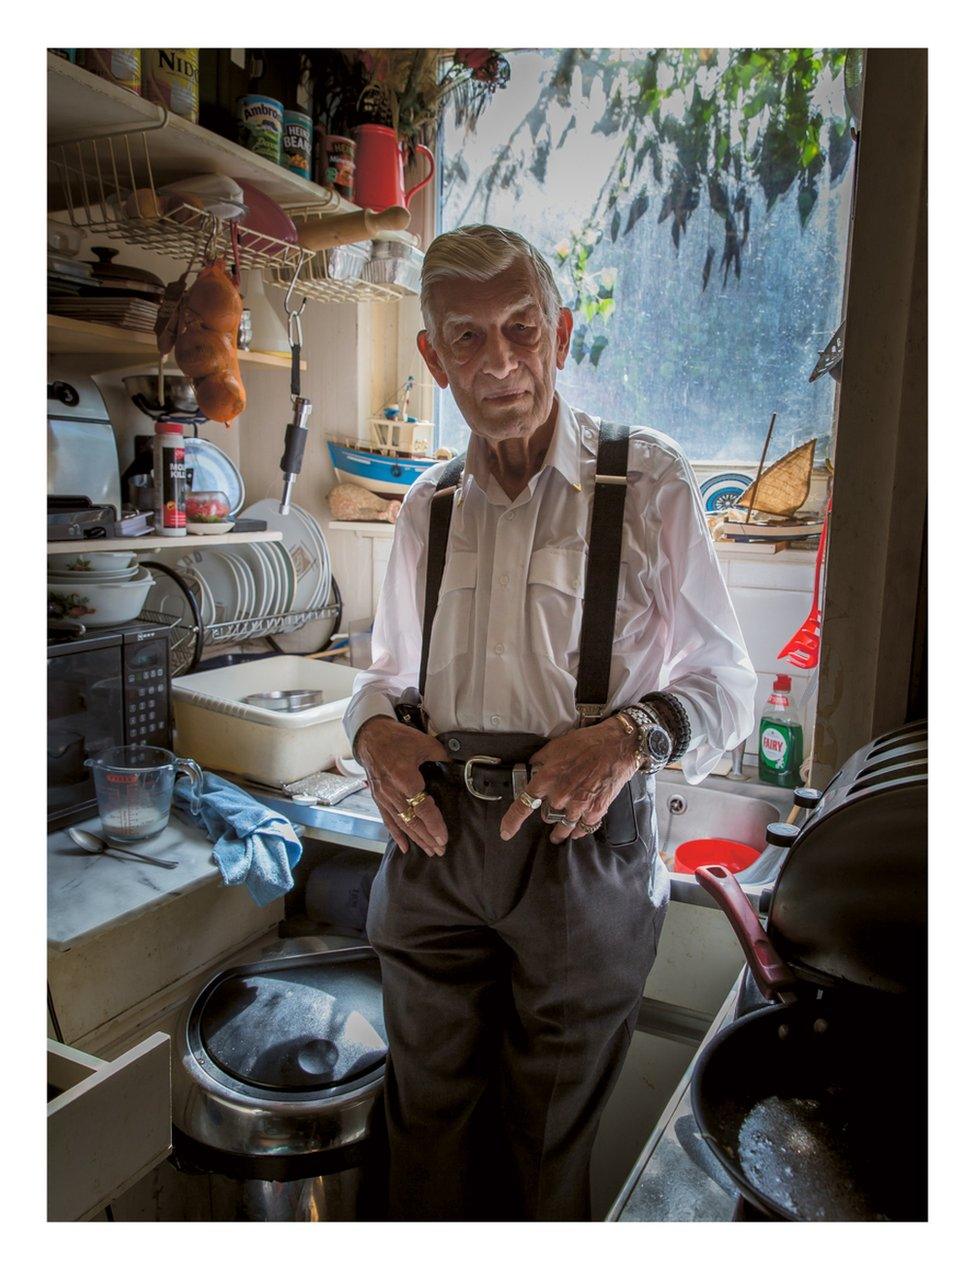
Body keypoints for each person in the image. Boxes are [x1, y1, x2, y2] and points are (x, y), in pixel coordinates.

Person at [343, 224, 757, 1221]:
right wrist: (370, 734)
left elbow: (729, 685)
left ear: (561, 334)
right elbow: (384, 675)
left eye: (521, 330)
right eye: (469, 338)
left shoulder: (647, 483)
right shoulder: (425, 507)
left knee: (543, 1147)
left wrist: (626, 738)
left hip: (583, 852)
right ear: (432, 356)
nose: (501, 364)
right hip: (436, 852)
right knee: (425, 1132)